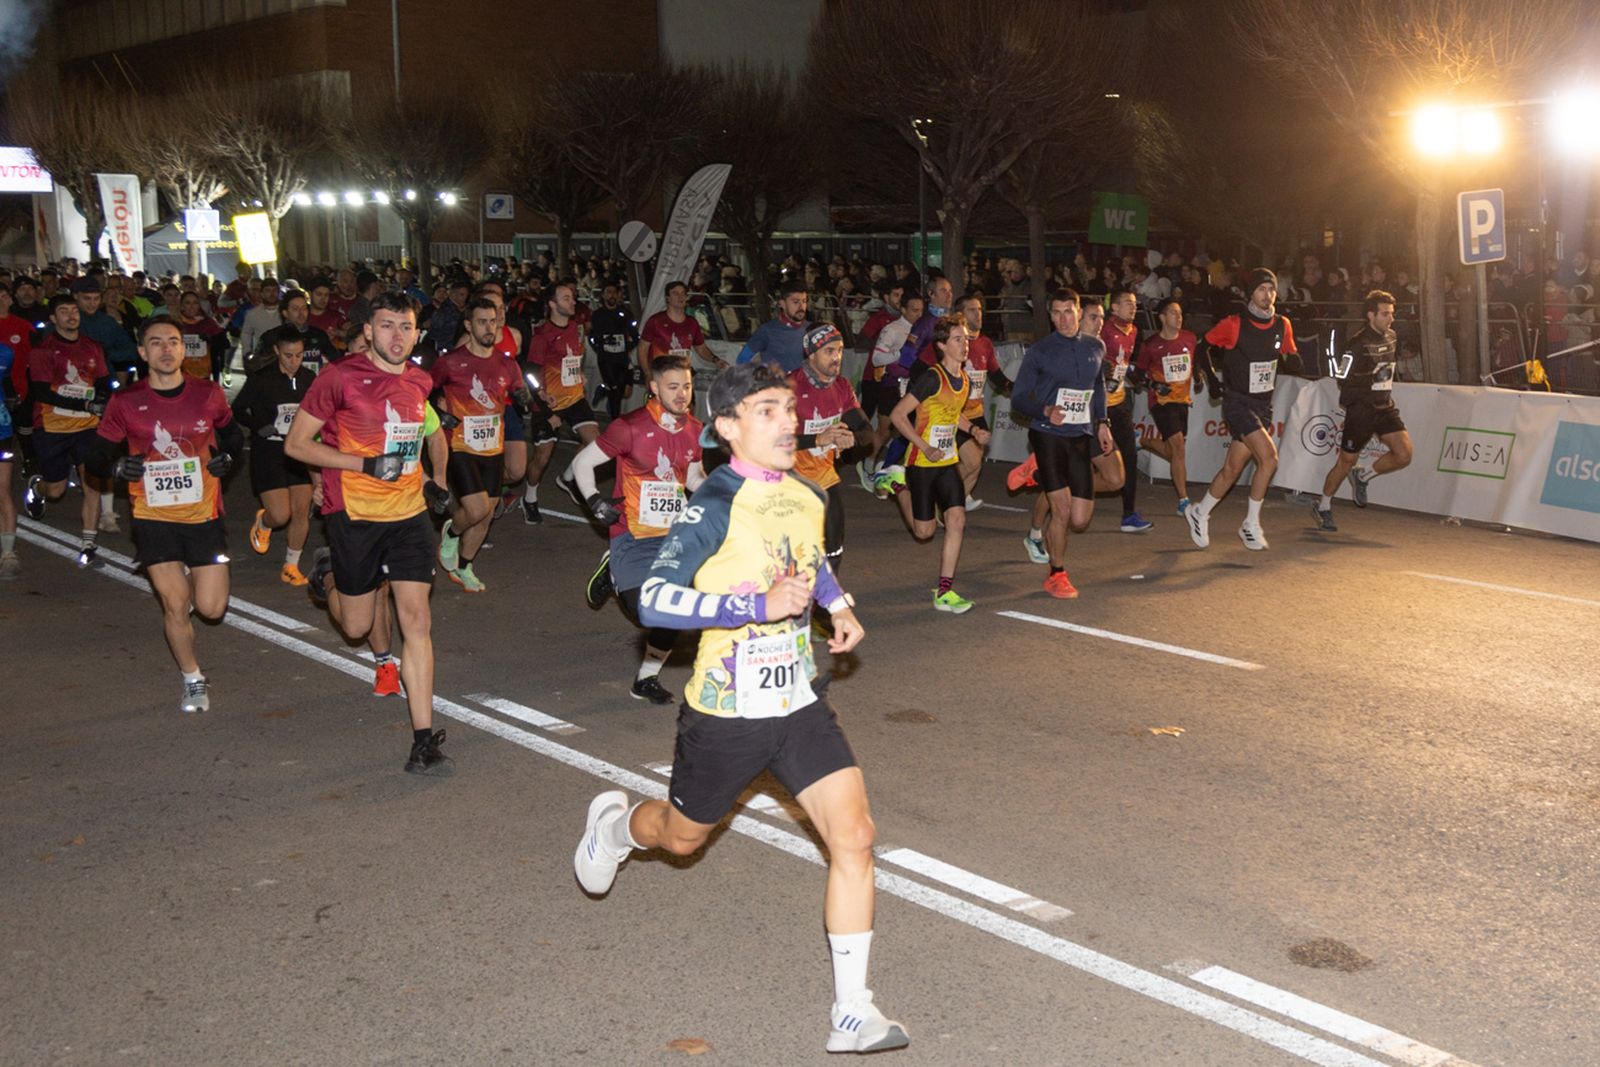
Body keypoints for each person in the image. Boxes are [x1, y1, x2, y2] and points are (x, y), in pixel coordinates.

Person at [572, 362, 907, 1055]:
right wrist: (752, 605)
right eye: (767, 410)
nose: (788, 421)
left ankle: (853, 1010)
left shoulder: (807, 494)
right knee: (681, 838)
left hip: (797, 701)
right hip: (724, 713)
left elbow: (810, 560)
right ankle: (615, 826)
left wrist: (836, 606)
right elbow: (657, 602)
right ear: (726, 428)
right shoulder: (712, 507)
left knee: (856, 837)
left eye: (789, 408)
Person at [286, 293, 457, 775]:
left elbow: (420, 440)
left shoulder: (421, 381)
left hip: (407, 518)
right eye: (387, 326)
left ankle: (423, 739)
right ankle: (329, 573)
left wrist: (431, 482)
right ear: (368, 331)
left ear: (417, 332)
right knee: (357, 627)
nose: (397, 336)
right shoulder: (338, 378)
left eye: (406, 327)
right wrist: (361, 464)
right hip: (354, 516)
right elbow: (297, 444)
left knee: (417, 622)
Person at [87, 318, 242, 713]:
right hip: (152, 515)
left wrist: (228, 460)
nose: (166, 349)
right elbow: (96, 455)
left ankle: (190, 580)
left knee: (211, 609)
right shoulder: (126, 401)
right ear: (142, 352)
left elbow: (233, 436)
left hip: (203, 514)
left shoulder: (207, 394)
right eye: (156, 343)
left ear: (183, 349)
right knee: (175, 605)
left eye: (173, 342)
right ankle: (193, 678)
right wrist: (118, 468)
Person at [570, 354, 705, 703]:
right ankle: (612, 570)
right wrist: (595, 501)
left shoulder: (694, 429)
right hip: (633, 535)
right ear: (655, 388)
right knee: (645, 612)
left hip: (674, 536)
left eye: (687, 386)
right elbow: (582, 462)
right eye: (673, 387)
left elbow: (691, 476)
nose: (682, 394)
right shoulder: (629, 426)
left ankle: (645, 679)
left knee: (672, 611)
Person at [1009, 290, 1115, 598]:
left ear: (1080, 312)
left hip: (1079, 434)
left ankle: (1037, 474)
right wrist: (1045, 410)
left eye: (1068, 311)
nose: (1062, 319)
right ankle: (1057, 573)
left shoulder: (1096, 346)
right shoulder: (1040, 351)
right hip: (1047, 433)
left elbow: (1098, 385)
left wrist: (1103, 423)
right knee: (1062, 509)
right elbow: (1018, 399)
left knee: (1080, 520)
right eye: (1056, 313)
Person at [1187, 268, 1301, 551]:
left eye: (1272, 289)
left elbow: (1289, 353)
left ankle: (1199, 511)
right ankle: (1250, 524)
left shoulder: (1282, 324)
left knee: (1232, 468)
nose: (1268, 295)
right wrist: (1213, 381)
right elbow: (1201, 349)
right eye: (1262, 289)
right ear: (1251, 293)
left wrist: (1296, 360)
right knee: (1270, 459)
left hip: (1263, 405)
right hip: (1237, 402)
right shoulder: (1234, 324)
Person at [431, 296, 532, 592]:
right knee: (475, 510)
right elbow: (422, 392)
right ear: (468, 325)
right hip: (461, 447)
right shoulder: (450, 362)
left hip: (493, 449)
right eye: (481, 321)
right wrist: (438, 413)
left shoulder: (506, 363)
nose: (489, 327)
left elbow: (518, 389)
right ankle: (453, 531)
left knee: (486, 514)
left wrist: (526, 398)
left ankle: (465, 567)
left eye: (492, 321)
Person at [888, 314, 984, 613]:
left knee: (957, 520)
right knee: (924, 532)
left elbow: (953, 414)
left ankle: (944, 590)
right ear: (942, 345)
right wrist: (923, 446)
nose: (965, 344)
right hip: (922, 463)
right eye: (958, 339)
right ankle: (897, 485)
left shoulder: (965, 379)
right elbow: (898, 415)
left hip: (947, 461)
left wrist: (973, 429)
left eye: (966, 338)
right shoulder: (931, 377)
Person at [1312, 289, 1412, 530]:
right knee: (1345, 462)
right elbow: (1342, 378)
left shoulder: (1392, 337)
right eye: (1385, 314)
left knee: (1404, 454)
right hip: (1361, 409)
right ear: (1371, 315)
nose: (1390, 318)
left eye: (1391, 314)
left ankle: (1363, 476)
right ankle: (1323, 505)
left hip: (1384, 407)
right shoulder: (1357, 344)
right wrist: (1368, 376)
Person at [24, 294, 111, 566]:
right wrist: (83, 401)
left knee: (92, 483)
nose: (71, 315)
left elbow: (105, 382)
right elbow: (41, 392)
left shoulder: (92, 347)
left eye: (74, 311)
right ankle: (37, 489)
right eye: (64, 311)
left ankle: (88, 544)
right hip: (53, 427)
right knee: (57, 491)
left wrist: (103, 401)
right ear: (53, 318)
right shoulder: (43, 350)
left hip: (87, 426)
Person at [231, 331, 317, 586]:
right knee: (281, 515)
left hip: (299, 452)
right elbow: (238, 409)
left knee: (301, 510)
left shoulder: (309, 379)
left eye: (299, 355)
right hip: (269, 452)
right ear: (278, 352)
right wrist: (259, 425)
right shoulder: (261, 379)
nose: (294, 361)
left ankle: (291, 565)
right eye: (289, 355)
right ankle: (264, 522)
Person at [789, 324, 871, 574]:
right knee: (794, 553)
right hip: (789, 480)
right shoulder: (788, 386)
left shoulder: (842, 386)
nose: (836, 357)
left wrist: (851, 439)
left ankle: (820, 604)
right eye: (829, 351)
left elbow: (867, 433)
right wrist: (816, 439)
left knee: (834, 546)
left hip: (825, 477)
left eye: (840, 350)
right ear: (811, 354)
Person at [524, 282, 600, 521]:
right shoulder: (542, 336)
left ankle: (567, 477)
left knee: (595, 444)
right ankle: (530, 498)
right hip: (549, 403)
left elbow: (573, 357)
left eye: (572, 297)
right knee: (542, 456)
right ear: (552, 304)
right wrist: (546, 409)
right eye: (566, 298)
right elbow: (530, 374)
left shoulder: (576, 328)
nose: (573, 301)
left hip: (575, 397)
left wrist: (579, 373)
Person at [1133, 298, 1199, 513]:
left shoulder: (1189, 338)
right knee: (1178, 446)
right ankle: (1183, 501)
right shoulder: (1151, 345)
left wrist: (1198, 376)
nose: (1178, 317)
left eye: (1180, 313)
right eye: (1173, 313)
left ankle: (1142, 441)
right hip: (1161, 401)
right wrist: (1153, 384)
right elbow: (1137, 375)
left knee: (1175, 452)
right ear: (1162, 317)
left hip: (1182, 400)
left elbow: (1193, 362)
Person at [1100, 288, 1151, 532]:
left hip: (1118, 402)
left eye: (1135, 303)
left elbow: (1125, 364)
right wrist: (1102, 367)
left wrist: (1137, 377)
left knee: (1129, 456)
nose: (1133, 307)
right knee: (1087, 458)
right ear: (1114, 307)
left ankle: (1128, 514)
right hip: (1096, 405)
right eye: (1128, 303)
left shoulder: (1134, 331)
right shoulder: (1104, 328)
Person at [953, 294, 1009, 508]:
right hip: (957, 415)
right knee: (971, 460)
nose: (978, 314)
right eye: (972, 310)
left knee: (976, 463)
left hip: (977, 413)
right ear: (961, 315)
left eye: (979, 309)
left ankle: (957, 498)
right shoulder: (954, 343)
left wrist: (1012, 387)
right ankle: (948, 499)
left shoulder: (985, 342)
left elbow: (995, 374)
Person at [636, 280, 727, 382]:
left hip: (683, 377)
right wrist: (648, 373)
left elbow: (701, 348)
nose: (680, 296)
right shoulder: (656, 321)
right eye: (675, 293)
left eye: (683, 293)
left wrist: (716, 360)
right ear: (667, 298)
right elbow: (642, 348)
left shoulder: (692, 323)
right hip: (661, 377)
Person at [587, 280, 639, 419]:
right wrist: (600, 348)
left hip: (621, 358)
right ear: (603, 295)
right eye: (608, 292)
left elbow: (635, 335)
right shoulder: (598, 315)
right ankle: (615, 422)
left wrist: (629, 346)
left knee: (624, 391)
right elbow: (591, 337)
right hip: (606, 359)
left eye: (614, 292)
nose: (612, 295)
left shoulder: (625, 314)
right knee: (615, 389)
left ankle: (604, 390)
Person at [736, 277, 811, 372]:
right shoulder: (767, 331)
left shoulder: (812, 329)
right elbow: (742, 360)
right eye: (795, 302)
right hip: (776, 385)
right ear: (782, 304)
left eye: (804, 301)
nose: (801, 307)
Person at [175, 290, 228, 381]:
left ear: (199, 305)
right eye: (188, 303)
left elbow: (224, 344)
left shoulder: (207, 322)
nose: (192, 306)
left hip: (202, 373)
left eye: (195, 303)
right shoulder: (175, 323)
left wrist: (211, 340)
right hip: (179, 373)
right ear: (182, 306)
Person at [0, 339, 19, 578]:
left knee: (2, 489)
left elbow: (8, 384)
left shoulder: (5, 352)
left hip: (1, 429)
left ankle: (8, 554)